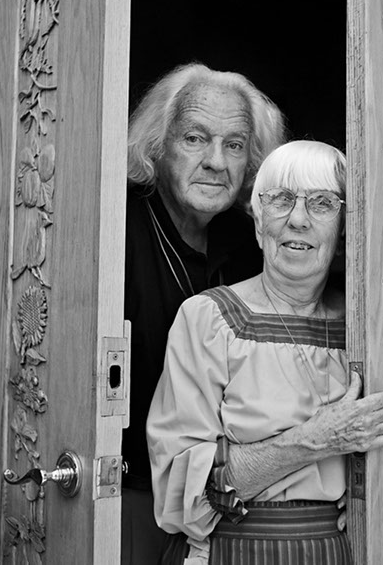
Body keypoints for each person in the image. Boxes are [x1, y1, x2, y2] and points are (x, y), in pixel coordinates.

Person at [147, 140, 383, 564]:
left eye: (322, 203)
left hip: (336, 552)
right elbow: (182, 492)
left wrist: (368, 501)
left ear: (344, 231)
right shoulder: (209, 319)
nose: (297, 219)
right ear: (259, 224)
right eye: (281, 199)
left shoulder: (372, 328)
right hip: (231, 551)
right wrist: (313, 441)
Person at [122, 63, 286, 565]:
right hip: (130, 495)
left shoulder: (253, 240)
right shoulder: (117, 225)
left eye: (234, 145)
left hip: (233, 500)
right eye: (195, 138)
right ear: (158, 145)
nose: (215, 162)